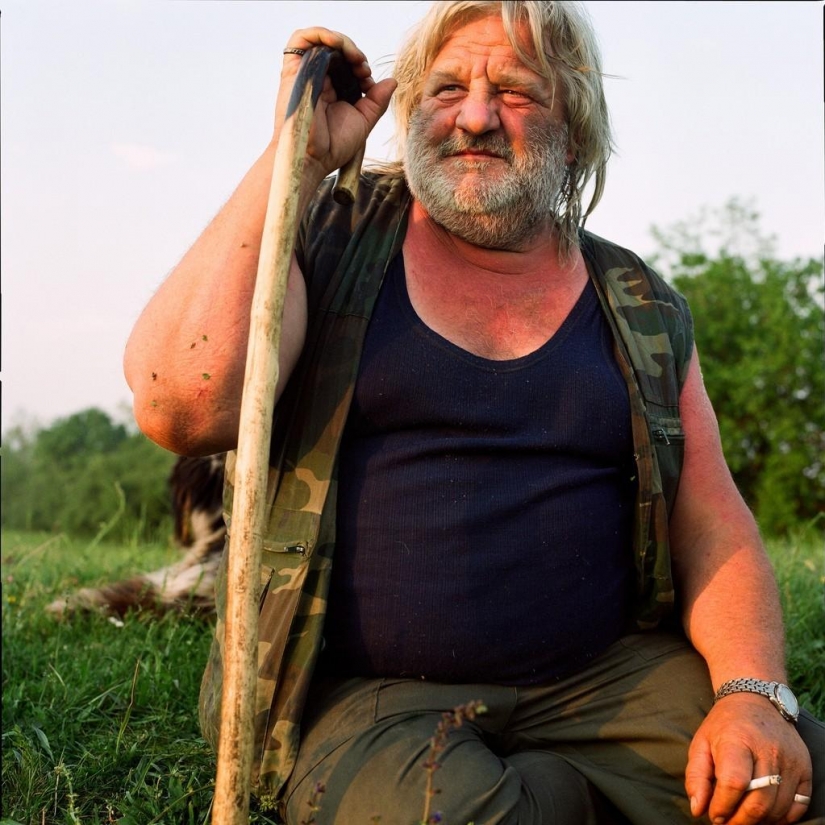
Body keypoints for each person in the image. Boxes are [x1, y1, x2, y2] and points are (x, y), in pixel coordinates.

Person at [124, 2, 824, 823]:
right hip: (372, 697)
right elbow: (186, 406)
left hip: (605, 677)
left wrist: (751, 695)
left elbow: (710, 518)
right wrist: (296, 158)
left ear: (575, 121)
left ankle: (559, 786)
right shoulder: (327, 241)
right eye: (446, 87)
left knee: (783, 788)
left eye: (517, 92)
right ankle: (549, 794)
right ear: (409, 108)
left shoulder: (636, 303)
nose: (477, 116)